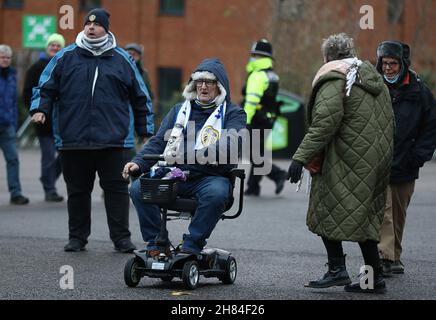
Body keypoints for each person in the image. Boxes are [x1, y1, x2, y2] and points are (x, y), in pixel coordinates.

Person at [30, 8, 154, 253]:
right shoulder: (66, 56)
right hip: (73, 139)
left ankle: (121, 239)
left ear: (106, 29)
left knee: (117, 192)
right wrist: (40, 108)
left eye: (96, 25)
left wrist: (145, 129)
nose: (91, 27)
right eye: (88, 24)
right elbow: (45, 86)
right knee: (77, 192)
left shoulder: (122, 59)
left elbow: (141, 96)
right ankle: (77, 237)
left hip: (114, 141)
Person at [287, 33, 394, 294]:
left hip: (345, 158)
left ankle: (336, 269)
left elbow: (325, 122)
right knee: (366, 216)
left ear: (327, 57)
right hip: (377, 159)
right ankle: (374, 278)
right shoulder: (371, 77)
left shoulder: (335, 78)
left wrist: (299, 157)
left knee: (326, 208)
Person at [125, 58, 246, 255]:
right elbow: (158, 141)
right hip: (175, 173)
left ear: (220, 86)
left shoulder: (234, 113)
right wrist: (137, 163)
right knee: (139, 188)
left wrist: (188, 156)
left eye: (210, 82)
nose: (203, 87)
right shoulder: (179, 110)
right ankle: (156, 243)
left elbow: (230, 146)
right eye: (199, 82)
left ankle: (192, 245)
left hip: (211, 176)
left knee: (216, 194)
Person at [375, 41, 436, 276]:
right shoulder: (375, 86)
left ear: (402, 65)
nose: (388, 68)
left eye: (393, 64)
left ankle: (394, 257)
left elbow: (430, 128)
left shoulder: (420, 92)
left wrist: (418, 156)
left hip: (407, 163)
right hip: (380, 161)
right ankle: (384, 256)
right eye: (385, 63)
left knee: (398, 214)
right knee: (384, 211)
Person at [23, 33, 65, 202]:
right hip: (44, 122)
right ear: (47, 47)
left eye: (58, 46)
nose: (54, 48)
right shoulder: (36, 67)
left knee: (64, 156)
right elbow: (27, 92)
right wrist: (35, 112)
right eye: (52, 45)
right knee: (48, 156)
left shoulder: (64, 65)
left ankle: (48, 178)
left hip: (62, 122)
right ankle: (50, 190)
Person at [243, 39, 286, 197]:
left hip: (255, 120)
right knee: (258, 153)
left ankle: (278, 174)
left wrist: (245, 121)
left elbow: (252, 101)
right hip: (268, 119)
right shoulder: (272, 75)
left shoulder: (257, 76)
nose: (252, 57)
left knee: (253, 154)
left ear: (259, 56)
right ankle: (253, 187)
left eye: (254, 55)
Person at [0, 44, 29, 205]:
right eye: (2, 57)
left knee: (13, 160)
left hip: (7, 126)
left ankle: (15, 193)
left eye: (7, 57)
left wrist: (14, 121)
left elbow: (13, 102)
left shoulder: (12, 75)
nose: (5, 60)